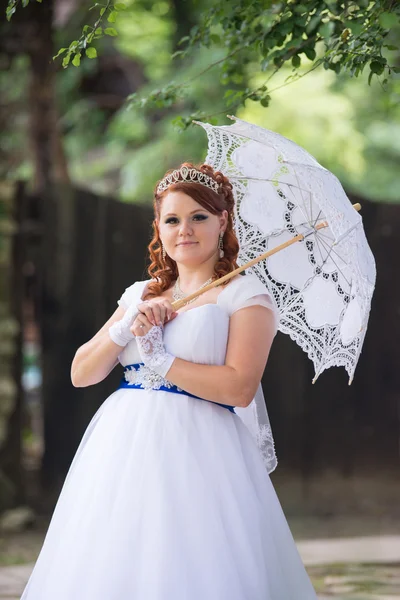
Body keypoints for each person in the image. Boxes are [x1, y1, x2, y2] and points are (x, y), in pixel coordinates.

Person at [21, 163, 317, 599]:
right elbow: (82, 373)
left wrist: (161, 357)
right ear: (158, 227)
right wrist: (126, 329)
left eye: (199, 217)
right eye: (172, 219)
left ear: (223, 221)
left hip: (202, 448)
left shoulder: (245, 297)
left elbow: (238, 388)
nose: (185, 230)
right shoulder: (139, 294)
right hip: (122, 446)